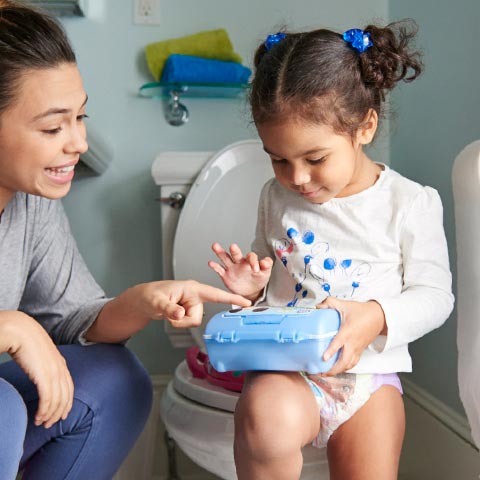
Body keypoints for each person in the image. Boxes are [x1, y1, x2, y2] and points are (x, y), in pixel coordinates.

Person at [0, 1, 251, 479]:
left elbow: (72, 319)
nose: (78, 143)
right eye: (53, 127)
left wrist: (143, 301)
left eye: (80, 117)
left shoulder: (32, 202)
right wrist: (11, 327)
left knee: (118, 379)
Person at [208, 21, 454, 479]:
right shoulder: (274, 196)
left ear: (365, 127)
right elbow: (268, 288)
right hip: (286, 372)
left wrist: (376, 315)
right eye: (278, 158)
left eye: (315, 158)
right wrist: (253, 290)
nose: (297, 177)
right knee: (263, 422)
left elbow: (436, 296)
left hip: (367, 378)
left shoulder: (409, 202)